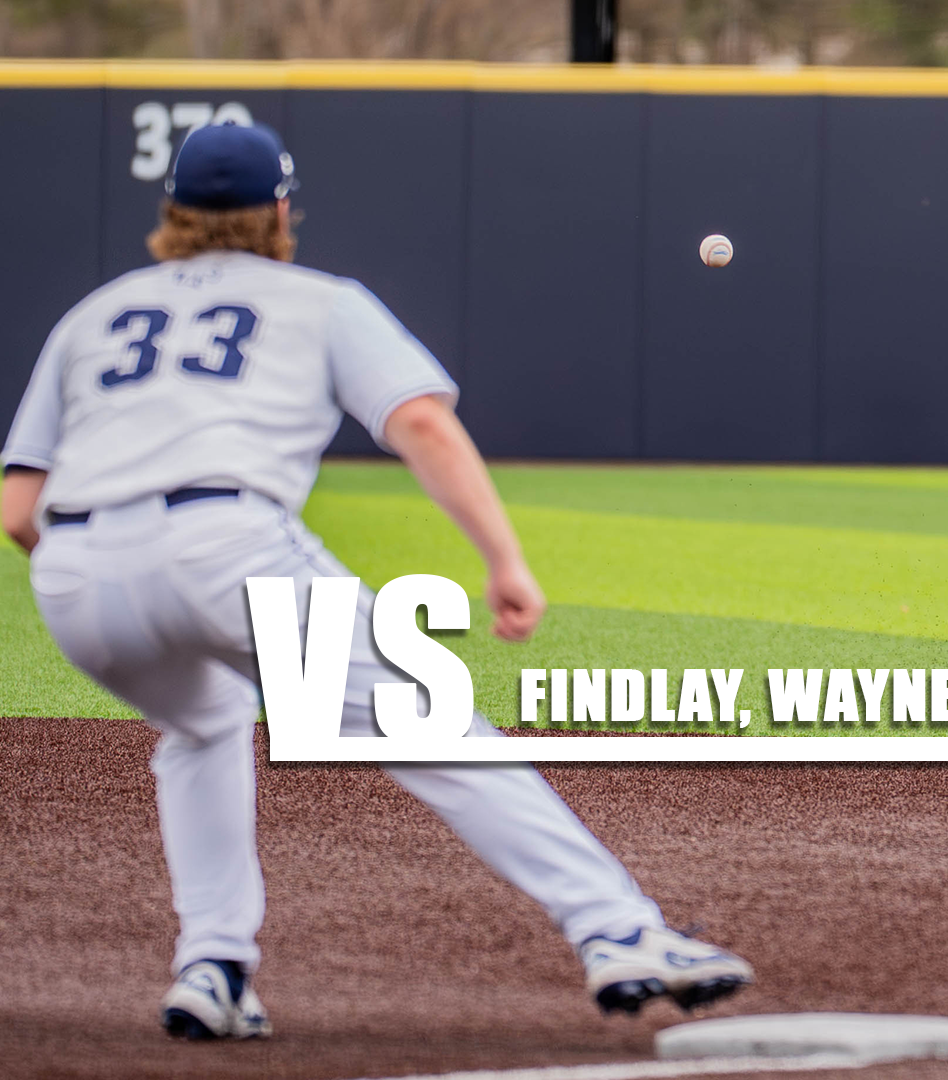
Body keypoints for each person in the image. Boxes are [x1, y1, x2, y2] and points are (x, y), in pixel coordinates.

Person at [0, 123, 751, 1040]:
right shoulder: (321, 301)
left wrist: (120, 573)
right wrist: (504, 559)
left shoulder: (97, 312)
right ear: (280, 210)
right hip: (223, 541)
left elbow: (19, 503)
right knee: (439, 729)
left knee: (199, 727)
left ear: (173, 215)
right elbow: (423, 426)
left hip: (74, 572)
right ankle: (622, 933)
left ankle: (216, 965)